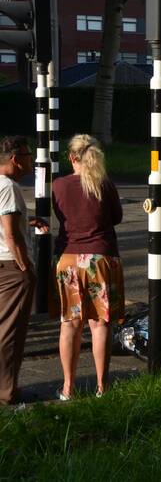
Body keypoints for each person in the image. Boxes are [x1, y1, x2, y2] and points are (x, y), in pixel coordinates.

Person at [52, 135, 124, 399]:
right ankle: (102, 388)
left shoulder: (59, 185)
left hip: (69, 260)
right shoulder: (104, 185)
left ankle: (68, 389)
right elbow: (116, 217)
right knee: (100, 324)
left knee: (69, 324)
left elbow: (60, 216)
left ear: (72, 157)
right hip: (101, 259)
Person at [0, 136, 49, 406]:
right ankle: (7, 392)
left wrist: (25, 220)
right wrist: (25, 267)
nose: (32, 160)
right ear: (15, 159)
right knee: (11, 332)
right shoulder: (8, 187)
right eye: (29, 156)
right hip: (10, 266)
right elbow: (10, 234)